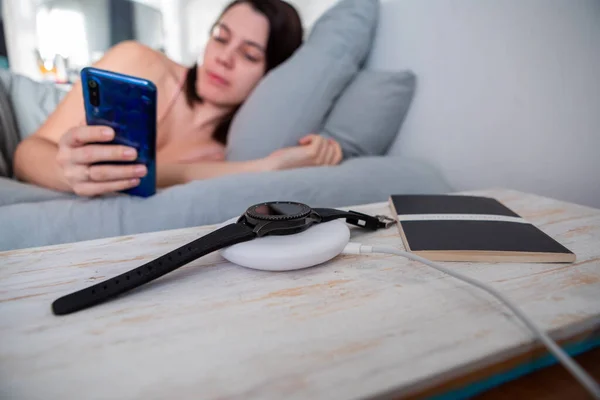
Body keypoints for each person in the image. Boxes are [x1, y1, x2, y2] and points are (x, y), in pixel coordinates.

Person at [12, 0, 343, 197]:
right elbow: (28, 152)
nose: (223, 58)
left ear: (272, 73)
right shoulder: (139, 63)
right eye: (220, 38)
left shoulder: (235, 147)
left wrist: (292, 159)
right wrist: (66, 172)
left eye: (249, 55)